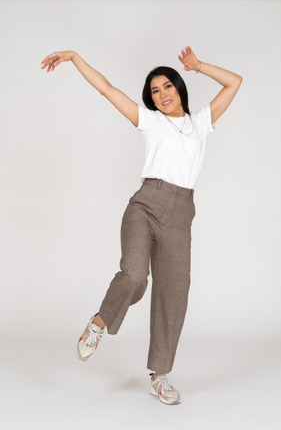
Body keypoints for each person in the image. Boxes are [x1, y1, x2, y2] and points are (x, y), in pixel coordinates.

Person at [40, 46, 243, 405]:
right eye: (155, 91)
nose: (162, 95)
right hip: (145, 207)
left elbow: (234, 82)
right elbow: (106, 89)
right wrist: (73, 57)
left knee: (174, 294)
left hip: (181, 214)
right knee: (134, 276)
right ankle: (100, 323)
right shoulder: (150, 122)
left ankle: (160, 375)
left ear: (179, 88)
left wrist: (198, 67)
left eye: (167, 86)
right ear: (150, 100)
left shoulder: (200, 123)